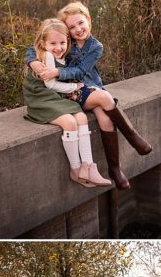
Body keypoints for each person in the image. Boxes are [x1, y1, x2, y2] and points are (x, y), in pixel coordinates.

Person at [26, 2, 152, 189]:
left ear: (89, 20)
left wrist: (57, 73)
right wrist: (32, 62)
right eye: (72, 27)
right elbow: (36, 46)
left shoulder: (95, 46)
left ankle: (114, 169)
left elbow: (81, 70)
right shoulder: (64, 42)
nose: (78, 29)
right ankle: (132, 136)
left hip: (88, 88)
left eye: (81, 23)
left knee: (104, 117)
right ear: (67, 31)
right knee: (105, 98)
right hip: (71, 91)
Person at [22, 19, 111, 187]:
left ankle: (88, 166)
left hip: (57, 96)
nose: (58, 47)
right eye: (53, 43)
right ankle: (76, 169)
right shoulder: (46, 55)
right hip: (41, 97)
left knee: (82, 118)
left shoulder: (65, 55)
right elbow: (50, 84)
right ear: (43, 43)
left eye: (62, 42)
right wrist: (75, 86)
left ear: (67, 41)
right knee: (70, 122)